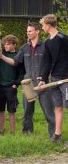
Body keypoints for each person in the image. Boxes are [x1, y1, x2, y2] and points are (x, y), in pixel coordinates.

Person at [0, 22, 55, 138]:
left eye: (30, 31)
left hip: (43, 83)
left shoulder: (46, 46)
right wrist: (1, 56)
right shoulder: (24, 48)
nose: (28, 33)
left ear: (37, 31)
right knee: (27, 112)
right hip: (28, 83)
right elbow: (15, 62)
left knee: (48, 112)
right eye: (27, 31)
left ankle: (54, 135)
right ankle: (27, 134)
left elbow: (53, 62)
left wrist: (46, 76)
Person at [38, 14, 68, 143]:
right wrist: (43, 79)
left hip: (66, 78)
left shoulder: (63, 39)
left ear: (48, 25)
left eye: (43, 25)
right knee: (58, 107)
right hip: (54, 78)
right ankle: (57, 135)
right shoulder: (47, 42)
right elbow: (46, 61)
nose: (42, 27)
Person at [0, 35, 24, 134]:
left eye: (8, 44)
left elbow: (22, 73)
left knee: (12, 111)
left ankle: (12, 132)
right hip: (0, 87)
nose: (6, 46)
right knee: (0, 110)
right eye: (4, 45)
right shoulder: (0, 54)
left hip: (11, 87)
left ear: (14, 45)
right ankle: (0, 130)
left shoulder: (18, 56)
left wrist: (16, 84)